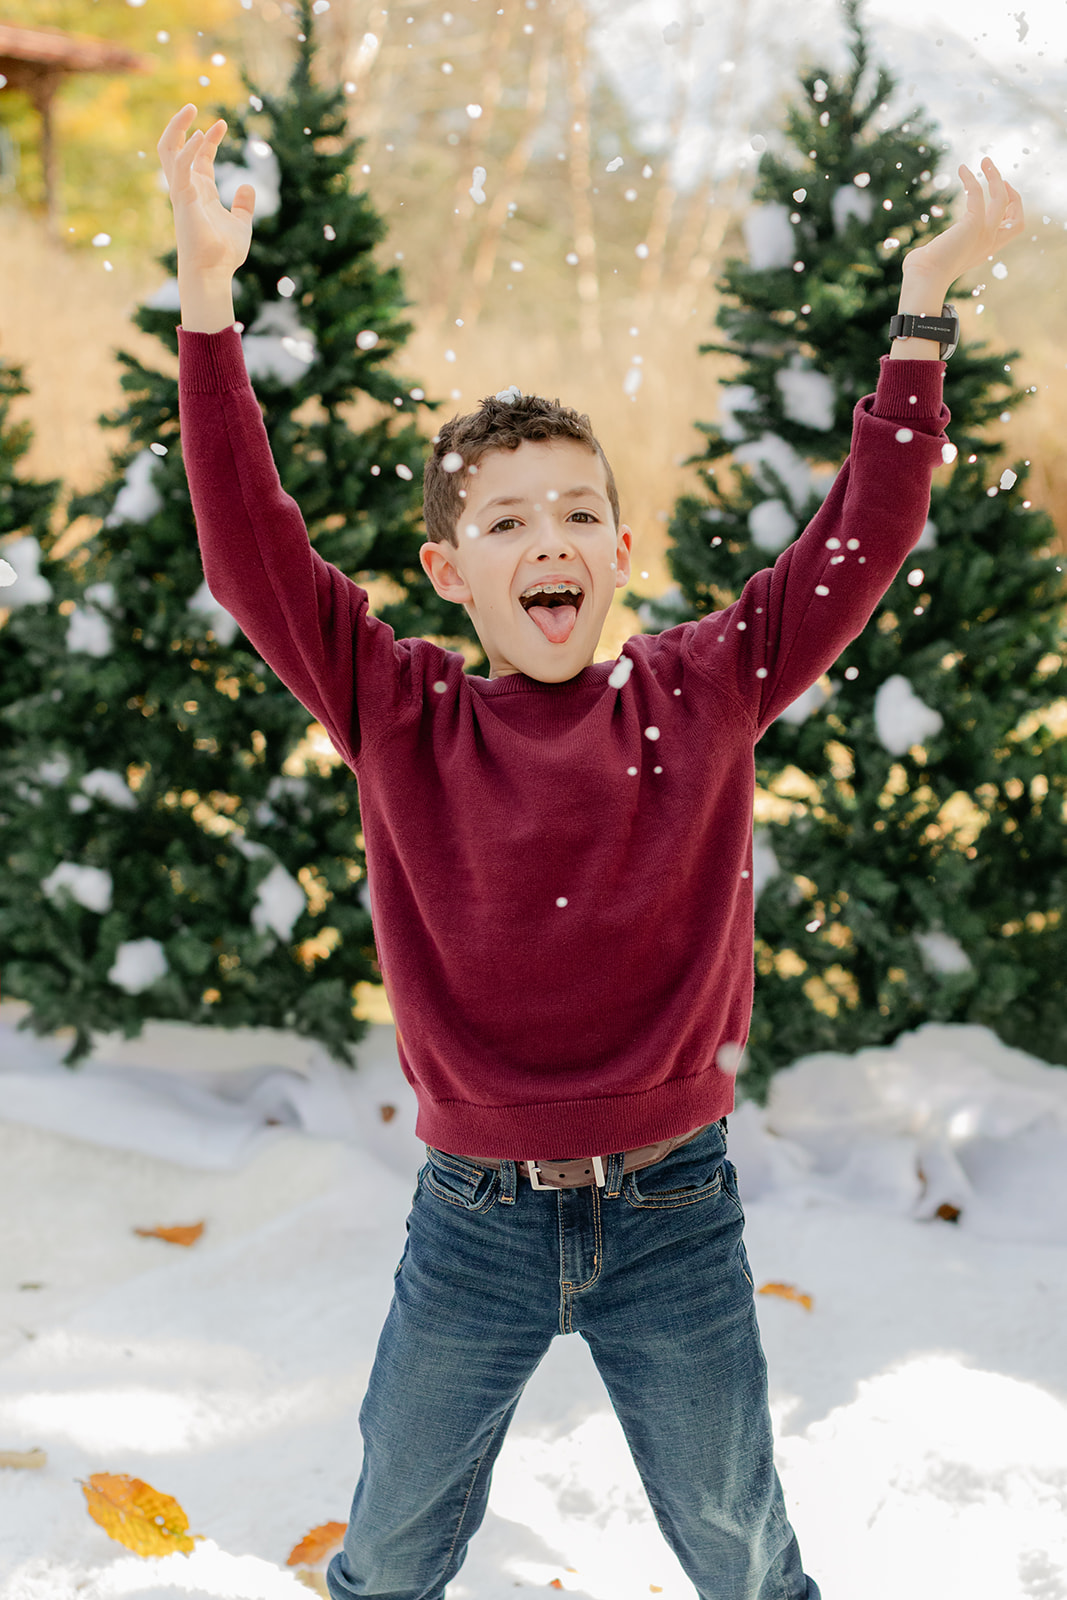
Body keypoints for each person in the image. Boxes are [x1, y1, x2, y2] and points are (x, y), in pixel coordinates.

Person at [158, 102, 1024, 1600]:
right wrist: (208, 298)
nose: (546, 537)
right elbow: (249, 550)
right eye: (503, 521)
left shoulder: (706, 684)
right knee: (389, 1553)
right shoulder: (399, 707)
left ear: (623, 550)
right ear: (449, 570)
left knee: (748, 1557)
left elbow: (858, 540)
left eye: (577, 511)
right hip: (472, 1224)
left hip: (676, 1209)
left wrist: (925, 312)